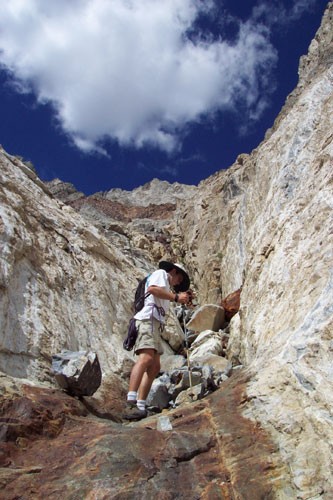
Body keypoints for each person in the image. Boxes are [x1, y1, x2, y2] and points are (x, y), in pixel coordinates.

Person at [123, 261, 191, 421]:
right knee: (146, 358)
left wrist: (178, 298)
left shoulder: (166, 286)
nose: (178, 283)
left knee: (154, 367)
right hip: (147, 321)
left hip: (154, 325)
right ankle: (131, 402)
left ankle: (140, 406)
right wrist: (176, 297)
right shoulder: (161, 274)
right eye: (179, 279)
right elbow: (152, 289)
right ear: (173, 272)